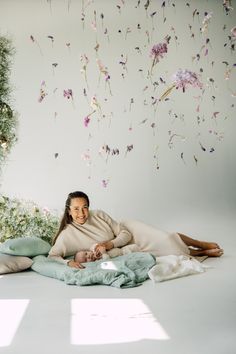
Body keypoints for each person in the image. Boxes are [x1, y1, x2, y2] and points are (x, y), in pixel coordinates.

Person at [48, 191, 224, 269]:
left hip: (129, 232)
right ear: (69, 211)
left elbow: (125, 233)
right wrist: (68, 263)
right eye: (76, 209)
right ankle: (198, 253)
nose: (81, 213)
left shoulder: (98, 214)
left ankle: (200, 244)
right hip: (124, 250)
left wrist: (109, 244)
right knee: (170, 254)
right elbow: (52, 255)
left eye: (85, 207)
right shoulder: (67, 235)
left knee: (167, 238)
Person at [74, 243, 140, 263]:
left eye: (86, 253)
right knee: (138, 255)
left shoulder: (92, 249)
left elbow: (96, 245)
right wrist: (104, 253)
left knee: (135, 246)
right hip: (124, 255)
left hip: (123, 249)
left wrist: (95, 249)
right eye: (86, 260)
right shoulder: (97, 262)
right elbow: (107, 261)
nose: (88, 256)